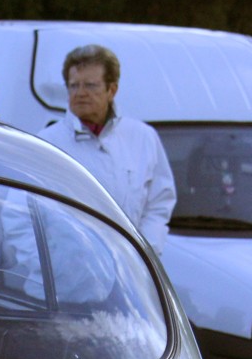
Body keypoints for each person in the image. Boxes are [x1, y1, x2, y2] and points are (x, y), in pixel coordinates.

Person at [39, 44, 175, 252]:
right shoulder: (47, 143)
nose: (81, 93)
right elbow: (21, 212)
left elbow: (159, 204)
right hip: (66, 277)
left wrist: (146, 252)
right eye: (74, 86)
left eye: (90, 86)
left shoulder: (142, 137)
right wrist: (36, 269)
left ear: (112, 90)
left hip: (129, 274)